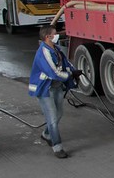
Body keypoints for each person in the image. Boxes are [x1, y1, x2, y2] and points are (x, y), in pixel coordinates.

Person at [28, 25, 82, 159]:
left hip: (56, 87)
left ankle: (46, 134)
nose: (57, 35)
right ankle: (57, 147)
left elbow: (65, 64)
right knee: (52, 118)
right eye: (55, 33)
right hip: (45, 89)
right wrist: (69, 75)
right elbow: (53, 72)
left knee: (58, 114)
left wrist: (74, 71)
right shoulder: (43, 53)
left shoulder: (55, 49)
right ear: (48, 37)